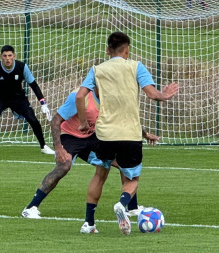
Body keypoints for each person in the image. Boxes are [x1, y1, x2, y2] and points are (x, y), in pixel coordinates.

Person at [75, 31, 179, 235]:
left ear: (107, 50)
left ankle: (89, 223)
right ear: (127, 50)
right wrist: (164, 95)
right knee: (132, 179)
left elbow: (80, 97)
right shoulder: (136, 66)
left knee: (99, 175)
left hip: (104, 133)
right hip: (130, 135)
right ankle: (122, 204)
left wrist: (82, 123)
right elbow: (152, 94)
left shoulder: (97, 69)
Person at [21, 82, 159, 220]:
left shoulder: (111, 99)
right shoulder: (79, 97)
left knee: (124, 162)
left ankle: (132, 208)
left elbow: (126, 119)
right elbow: (56, 120)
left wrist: (145, 134)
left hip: (92, 136)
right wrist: (58, 147)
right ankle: (31, 208)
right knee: (64, 166)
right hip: (70, 136)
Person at [0, 45, 54, 156]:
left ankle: (43, 146)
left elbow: (34, 85)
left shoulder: (22, 67)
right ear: (1, 56)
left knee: (33, 119)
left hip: (18, 98)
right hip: (0, 98)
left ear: (14, 56)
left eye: (10, 55)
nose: (7, 58)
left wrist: (43, 102)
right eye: (5, 56)